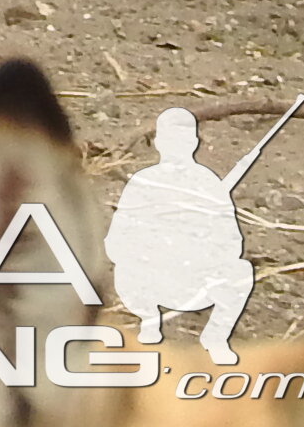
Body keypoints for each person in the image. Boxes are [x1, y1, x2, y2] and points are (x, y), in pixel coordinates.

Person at [109, 108, 257, 362]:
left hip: (195, 278)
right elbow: (117, 240)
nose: (177, 147)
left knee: (241, 271)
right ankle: (149, 321)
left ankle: (216, 337)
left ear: (195, 143)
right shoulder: (144, 182)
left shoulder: (209, 184)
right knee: (125, 270)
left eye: (184, 141)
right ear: (158, 143)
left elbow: (232, 241)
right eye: (170, 140)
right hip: (150, 277)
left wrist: (201, 244)